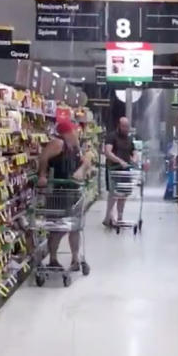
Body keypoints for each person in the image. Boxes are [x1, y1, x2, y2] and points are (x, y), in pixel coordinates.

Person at [37, 118, 91, 271]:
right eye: (75, 130)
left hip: (72, 192)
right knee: (57, 228)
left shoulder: (74, 147)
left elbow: (86, 163)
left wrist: (82, 169)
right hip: (57, 192)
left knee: (75, 227)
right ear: (68, 132)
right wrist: (42, 175)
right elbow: (43, 158)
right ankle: (53, 259)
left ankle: (75, 259)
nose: (77, 132)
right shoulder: (58, 143)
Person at [104, 116, 136, 227]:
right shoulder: (111, 136)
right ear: (119, 125)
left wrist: (134, 159)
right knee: (114, 194)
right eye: (124, 126)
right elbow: (108, 152)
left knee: (123, 194)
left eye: (127, 126)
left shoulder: (129, 138)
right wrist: (119, 161)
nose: (126, 129)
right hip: (114, 169)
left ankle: (120, 217)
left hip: (126, 170)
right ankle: (108, 216)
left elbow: (133, 151)